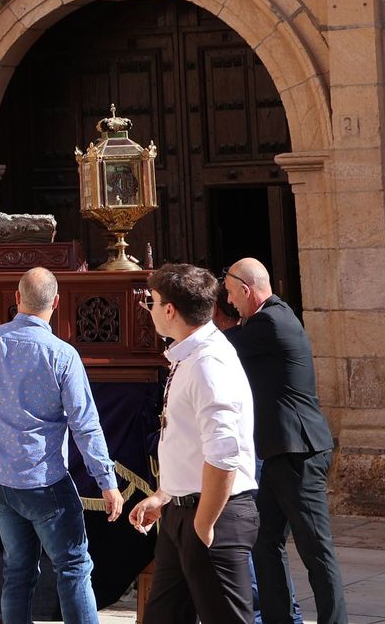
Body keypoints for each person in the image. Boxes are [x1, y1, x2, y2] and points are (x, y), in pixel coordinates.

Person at [0, 267, 125, 624]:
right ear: (57, 303)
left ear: (17, 299)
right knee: (74, 567)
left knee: (17, 571)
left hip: (0, 482)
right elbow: (85, 424)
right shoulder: (62, 355)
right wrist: (106, 481)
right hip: (44, 482)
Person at [129, 263, 259, 624]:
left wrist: (202, 528)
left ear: (169, 310)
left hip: (213, 515)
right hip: (181, 513)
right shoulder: (188, 356)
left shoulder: (208, 363)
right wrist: (164, 495)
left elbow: (224, 455)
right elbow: (188, 442)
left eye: (152, 302)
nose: (150, 310)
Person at [222, 258, 345, 624]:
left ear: (246, 290)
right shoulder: (270, 317)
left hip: (299, 454)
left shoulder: (270, 322)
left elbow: (223, 345)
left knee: (316, 549)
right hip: (277, 453)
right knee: (264, 541)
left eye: (230, 295)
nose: (230, 303)